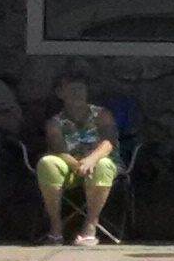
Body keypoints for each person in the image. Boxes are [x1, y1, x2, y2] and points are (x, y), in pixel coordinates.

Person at [34, 76, 122, 247]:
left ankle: (90, 225)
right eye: (71, 89)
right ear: (60, 93)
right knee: (47, 163)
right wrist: (78, 165)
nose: (77, 93)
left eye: (81, 88)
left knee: (102, 165)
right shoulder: (55, 122)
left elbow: (109, 143)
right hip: (69, 164)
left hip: (100, 162)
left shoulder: (101, 114)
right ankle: (56, 227)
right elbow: (59, 150)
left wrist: (91, 160)